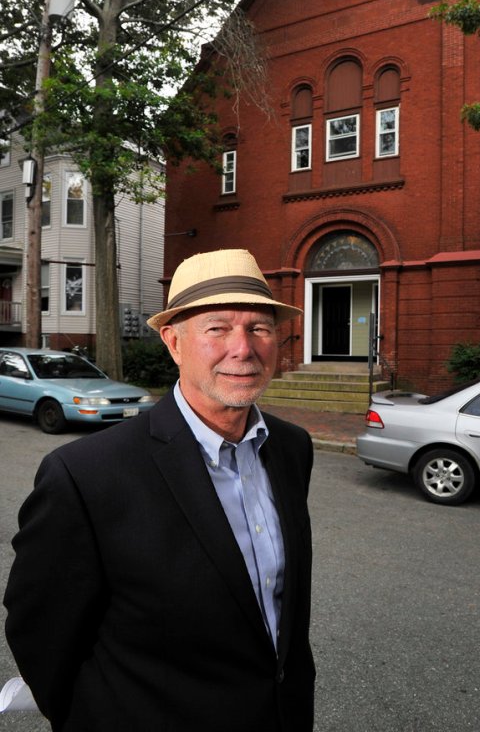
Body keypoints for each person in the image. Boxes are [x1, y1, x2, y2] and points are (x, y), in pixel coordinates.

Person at [4, 249, 315, 732]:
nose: (244, 348)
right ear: (173, 342)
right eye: (217, 328)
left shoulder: (292, 449)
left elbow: (280, 607)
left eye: (260, 327)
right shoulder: (86, 473)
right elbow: (40, 631)